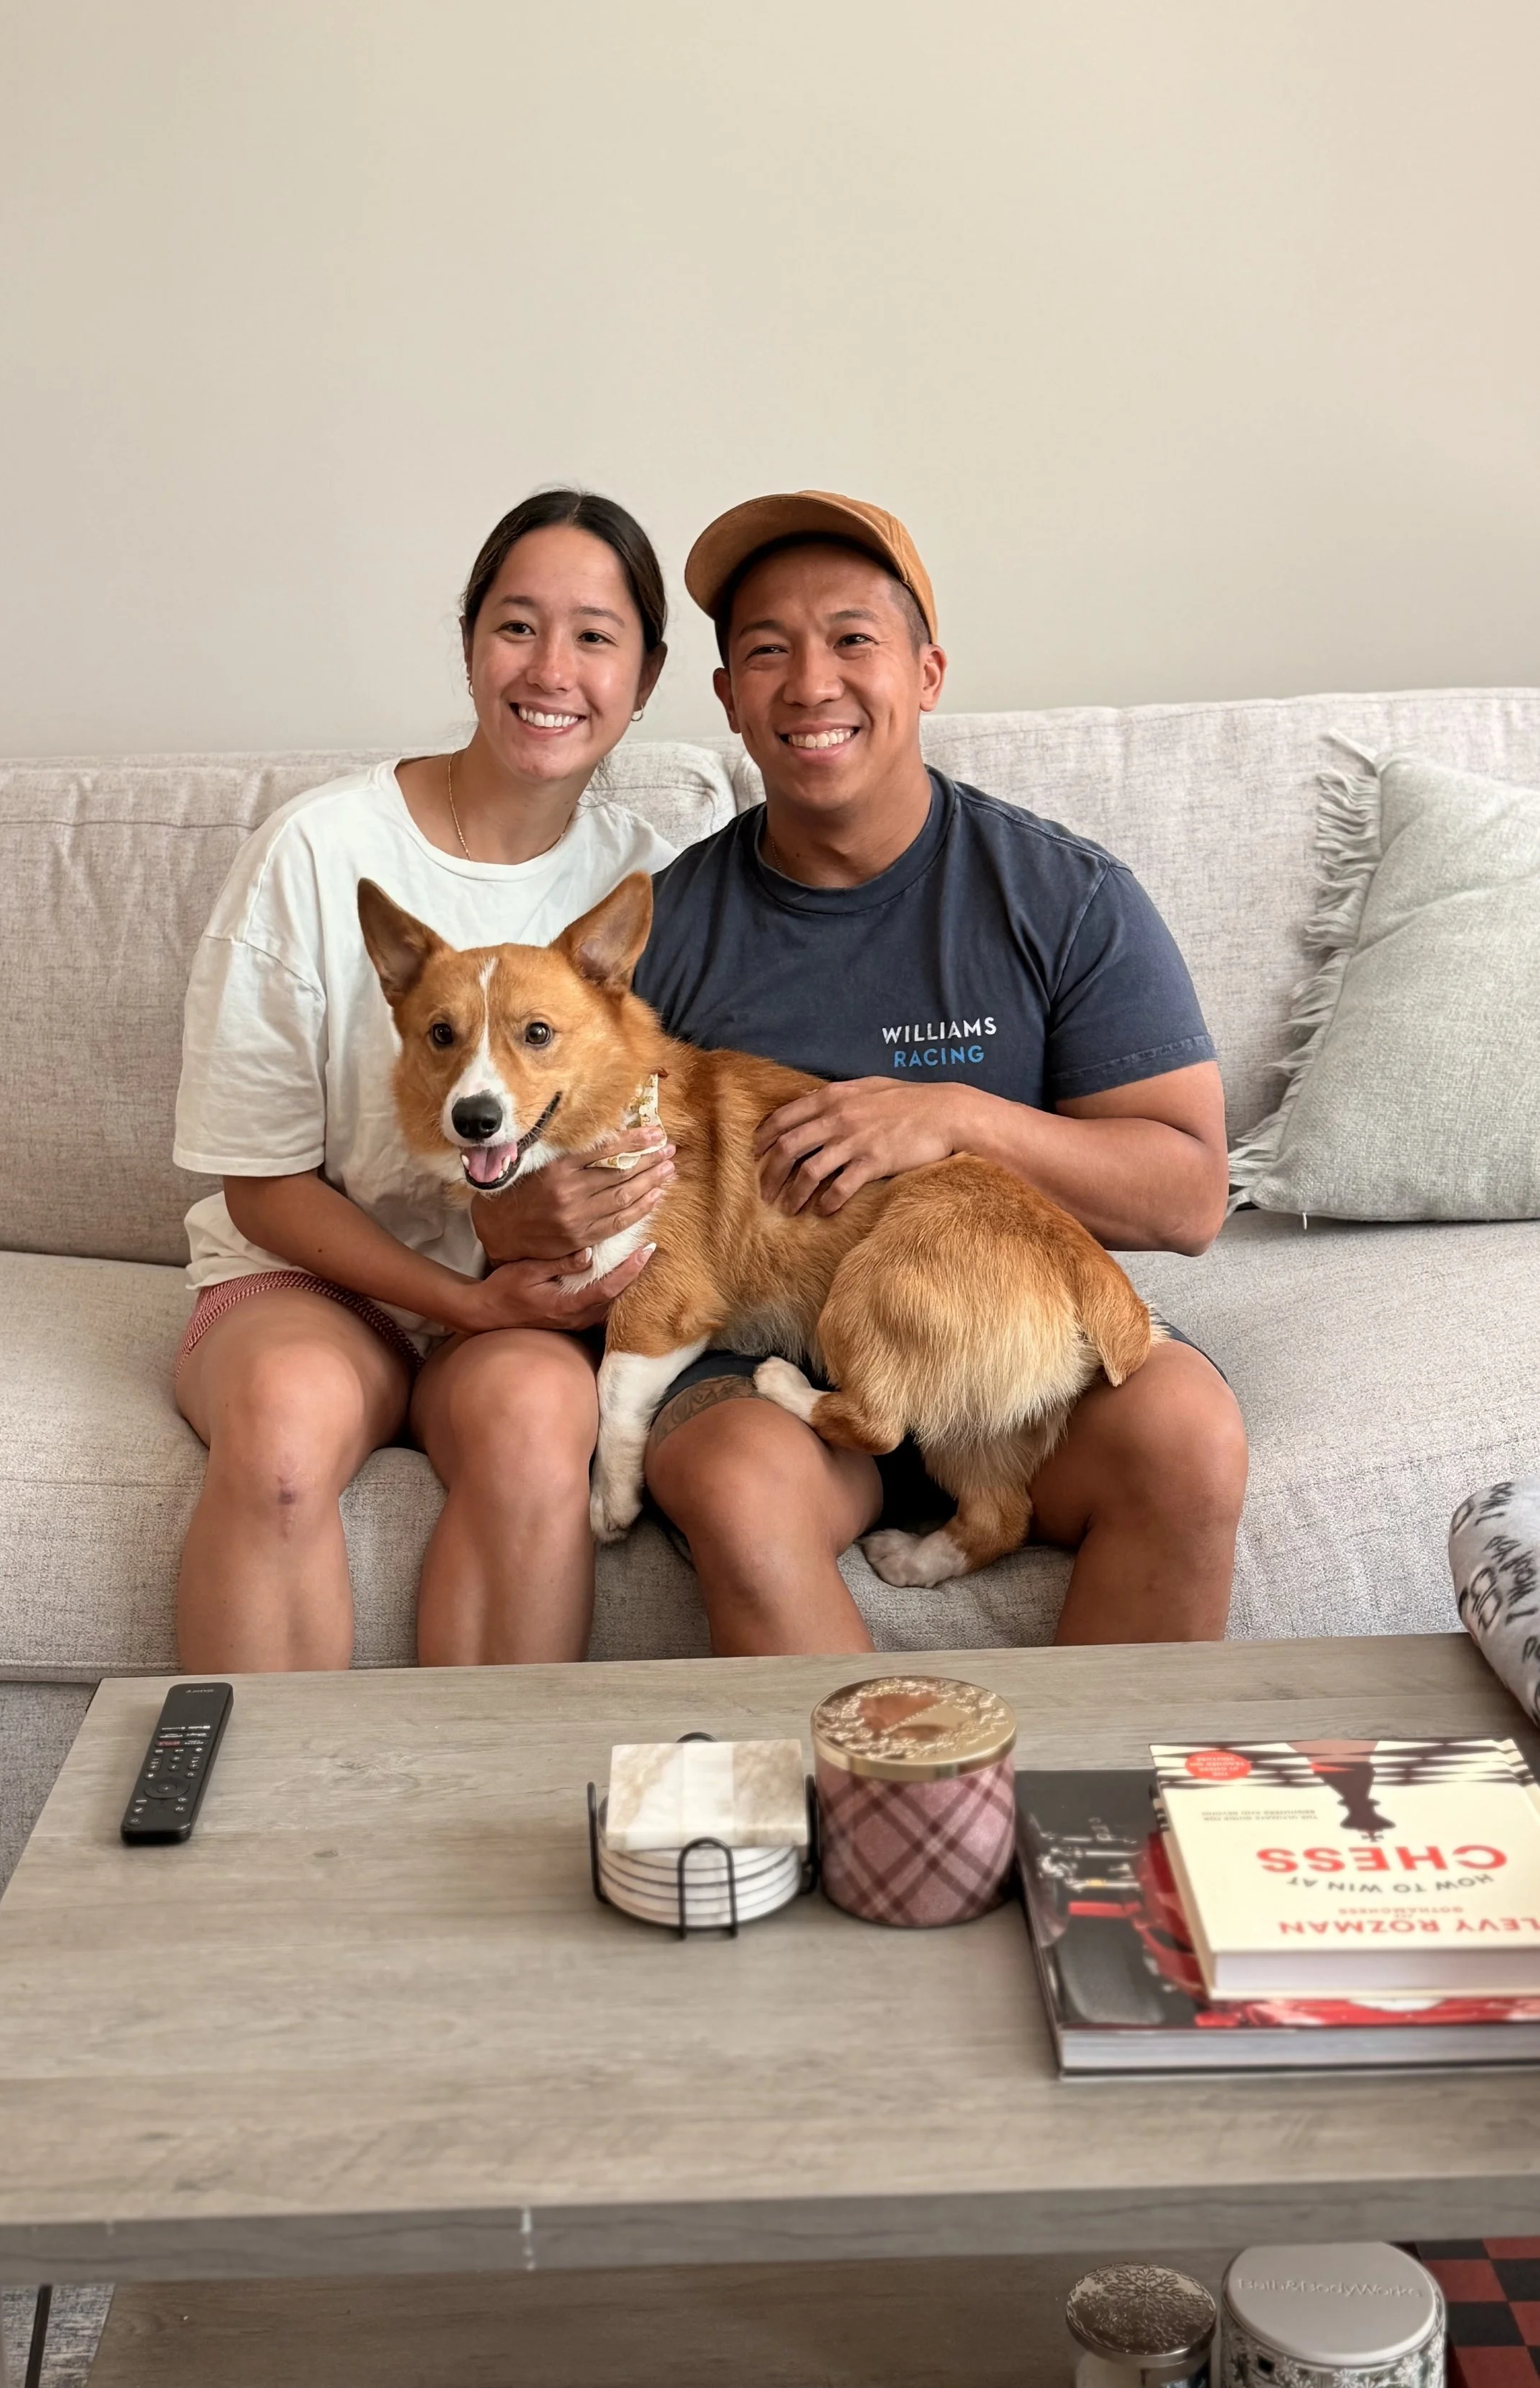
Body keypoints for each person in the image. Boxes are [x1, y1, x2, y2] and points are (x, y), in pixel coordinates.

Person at [625, 490, 1246, 1652]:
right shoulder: (666, 931)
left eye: (854, 640)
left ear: (927, 670)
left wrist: (962, 1118)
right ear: (728, 699)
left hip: (1005, 1347)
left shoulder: (1064, 896)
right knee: (739, 1488)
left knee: (1189, 1436)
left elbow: (1190, 1197)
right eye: (768, 651)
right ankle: (890, 1829)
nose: (812, 683)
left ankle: (1098, 1827)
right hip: (772, 1372)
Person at [170, 489, 681, 1672]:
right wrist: (469, 1295)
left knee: (537, 1427)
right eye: (516, 626)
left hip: (524, 1310)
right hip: (316, 1278)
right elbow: (262, 1188)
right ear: (468, 644)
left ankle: (478, 1823)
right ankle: (261, 1839)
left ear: (646, 676)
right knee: (285, 1433)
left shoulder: (647, 880)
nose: (551, 668)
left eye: (596, 636)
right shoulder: (317, 851)